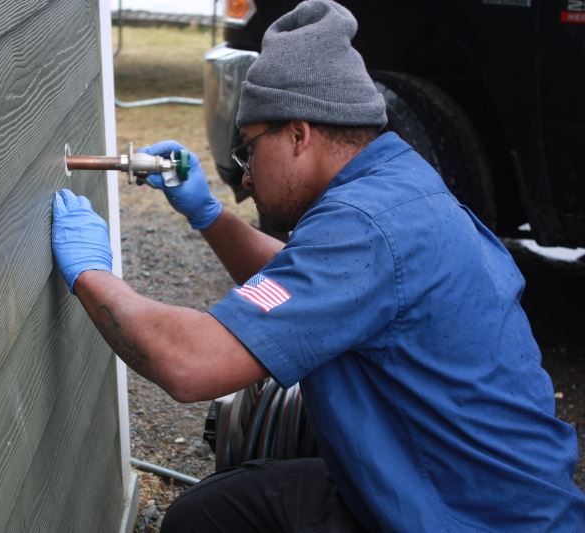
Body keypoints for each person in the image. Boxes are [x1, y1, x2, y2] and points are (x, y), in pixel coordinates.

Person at [51, 0, 585, 530]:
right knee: (209, 512)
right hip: (469, 487)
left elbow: (191, 364)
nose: (248, 177)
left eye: (250, 148)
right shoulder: (396, 186)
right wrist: (208, 216)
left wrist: (90, 272)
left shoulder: (364, 226)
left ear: (299, 134)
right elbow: (306, 283)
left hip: (465, 517)